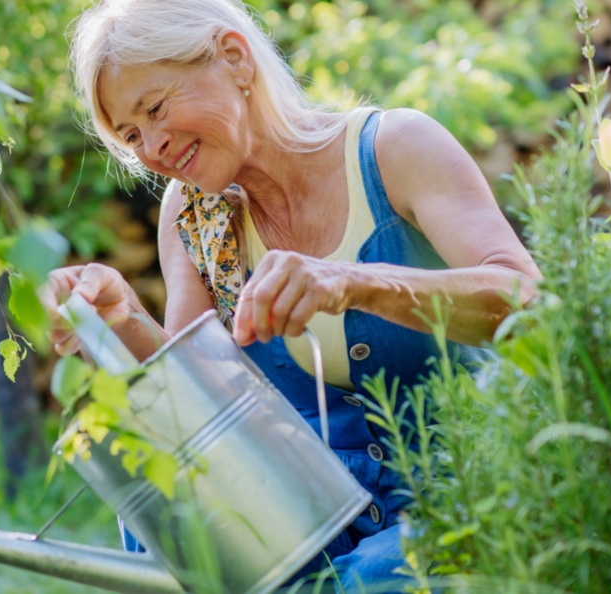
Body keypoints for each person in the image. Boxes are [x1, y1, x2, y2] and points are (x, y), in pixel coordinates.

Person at [42, 0, 543, 589]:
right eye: (131, 135)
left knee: (370, 580)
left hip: (463, 495)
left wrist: (357, 284)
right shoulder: (192, 217)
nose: (151, 147)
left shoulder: (392, 149)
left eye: (155, 108)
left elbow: (527, 302)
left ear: (233, 57)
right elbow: (203, 410)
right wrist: (122, 319)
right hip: (314, 513)